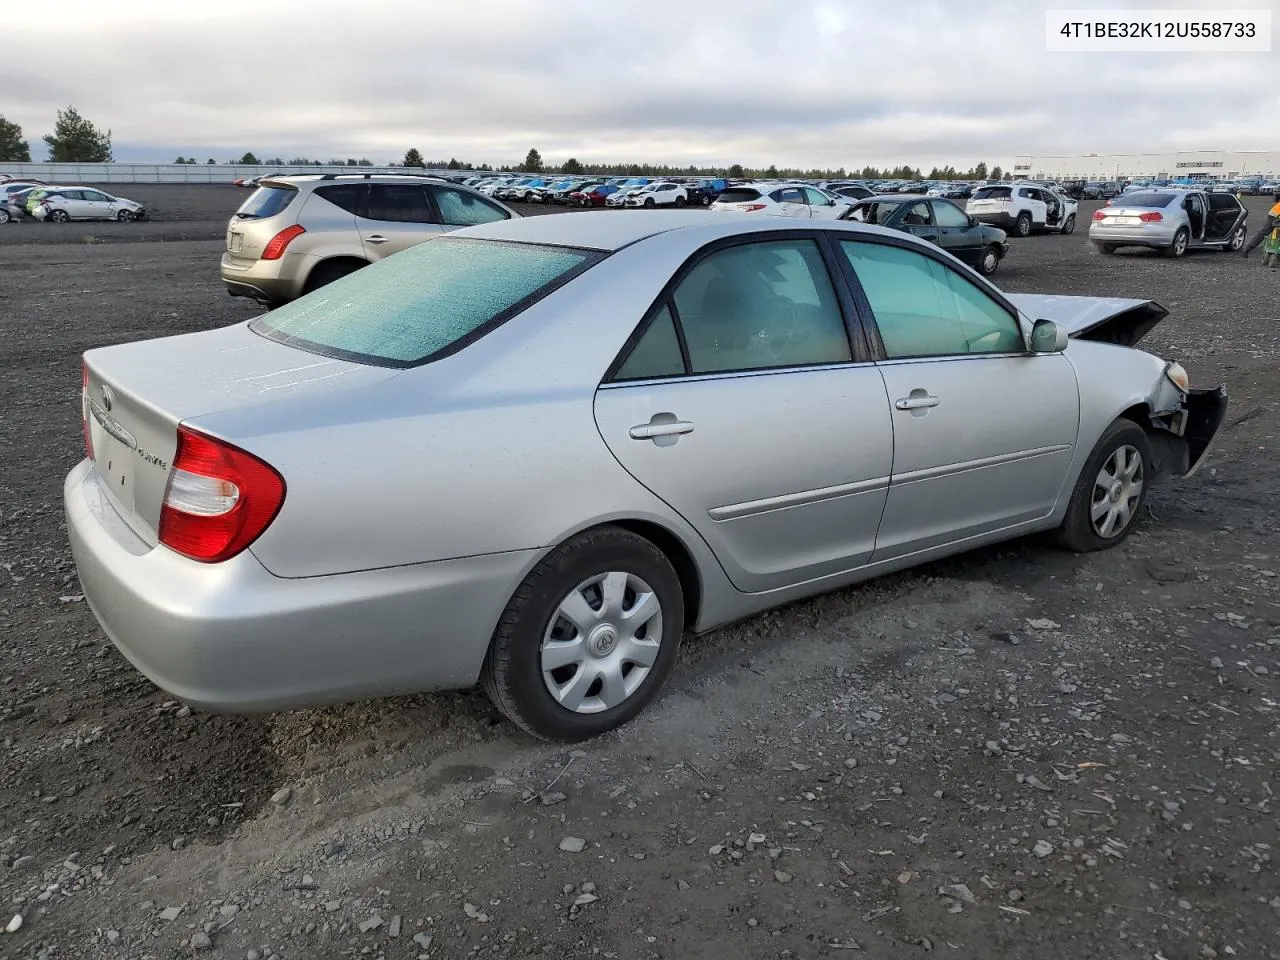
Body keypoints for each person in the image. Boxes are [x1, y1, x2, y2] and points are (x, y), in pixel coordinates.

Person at [1242, 191, 1280, 258]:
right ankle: (1247, 249)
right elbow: (1274, 223)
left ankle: (1247, 249)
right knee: (1264, 232)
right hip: (1275, 215)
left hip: (1274, 213)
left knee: (1264, 232)